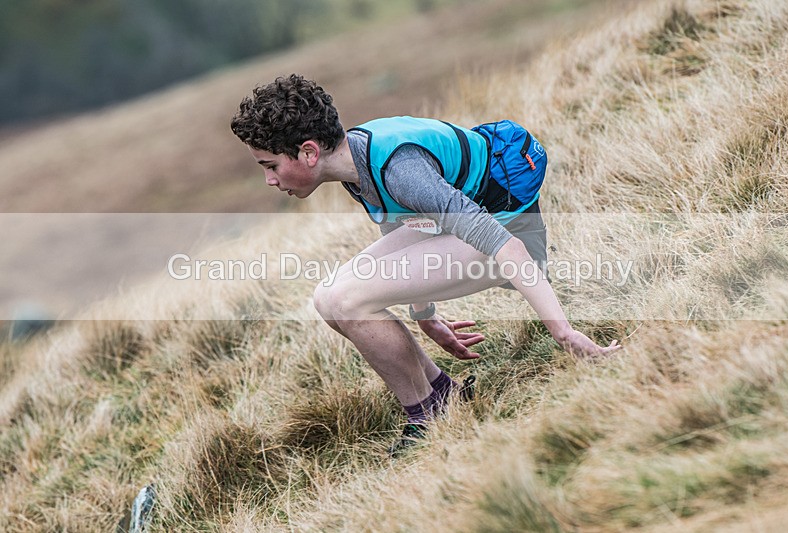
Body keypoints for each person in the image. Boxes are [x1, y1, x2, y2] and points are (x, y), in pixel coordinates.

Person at [230, 74, 621, 454]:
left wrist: (564, 333)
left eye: (270, 165)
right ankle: (442, 393)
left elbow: (508, 247)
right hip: (468, 226)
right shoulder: (355, 158)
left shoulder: (400, 170)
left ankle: (428, 413)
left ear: (309, 152)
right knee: (327, 298)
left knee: (348, 300)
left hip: (507, 234)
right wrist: (426, 315)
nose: (269, 180)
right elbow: (406, 225)